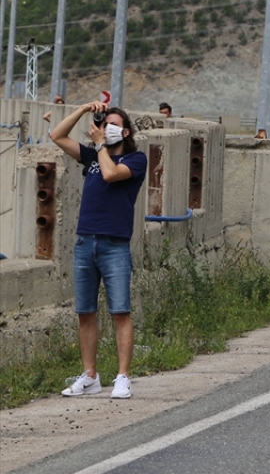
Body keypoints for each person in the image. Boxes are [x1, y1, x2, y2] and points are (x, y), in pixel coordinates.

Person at [49, 101, 148, 398]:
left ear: (126, 130)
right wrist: (81, 110)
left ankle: (122, 376)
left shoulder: (136, 159)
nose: (107, 128)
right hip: (85, 242)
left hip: (114, 244)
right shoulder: (93, 155)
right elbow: (57, 136)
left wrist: (101, 144)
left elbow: (110, 174)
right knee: (85, 312)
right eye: (104, 123)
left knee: (120, 311)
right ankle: (90, 376)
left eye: (114, 124)